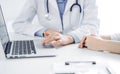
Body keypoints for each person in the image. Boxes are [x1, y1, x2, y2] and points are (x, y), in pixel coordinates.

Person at [13, 0, 99, 47]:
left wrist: (69, 37)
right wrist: (45, 31)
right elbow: (19, 24)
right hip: (48, 46)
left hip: (76, 47)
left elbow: (92, 26)